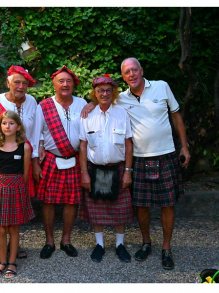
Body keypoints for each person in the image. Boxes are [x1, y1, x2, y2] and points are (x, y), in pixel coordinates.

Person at [81, 57, 190, 270]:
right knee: (141, 205)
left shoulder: (161, 86)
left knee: (168, 205)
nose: (131, 74)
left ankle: (166, 248)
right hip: (140, 158)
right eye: (127, 72)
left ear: (141, 70)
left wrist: (184, 147)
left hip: (166, 154)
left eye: (134, 70)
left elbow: (176, 116)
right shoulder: (120, 99)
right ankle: (146, 243)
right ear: (123, 77)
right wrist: (91, 103)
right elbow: (104, 99)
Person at [0, 65, 37, 263]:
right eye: (17, 82)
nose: (20, 86)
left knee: (14, 212)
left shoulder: (32, 101)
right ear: (8, 83)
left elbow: (36, 130)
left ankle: (12, 250)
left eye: (24, 83)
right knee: (1, 215)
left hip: (21, 161)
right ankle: (2, 252)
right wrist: (5, 140)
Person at [32, 66, 87, 259]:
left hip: (74, 159)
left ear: (74, 84)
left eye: (69, 81)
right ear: (54, 85)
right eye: (61, 81)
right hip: (51, 160)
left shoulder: (82, 104)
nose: (65, 84)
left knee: (71, 201)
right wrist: (35, 163)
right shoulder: (44, 106)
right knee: (48, 201)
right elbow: (36, 134)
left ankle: (66, 240)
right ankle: (49, 241)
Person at [78, 74, 134, 263]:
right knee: (97, 210)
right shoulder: (87, 115)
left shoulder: (122, 113)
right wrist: (84, 173)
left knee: (119, 211)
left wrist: (128, 171)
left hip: (118, 169)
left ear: (114, 92)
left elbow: (128, 144)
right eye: (100, 90)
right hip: (96, 170)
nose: (104, 93)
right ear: (95, 93)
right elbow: (83, 146)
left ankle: (120, 245)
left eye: (108, 90)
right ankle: (99, 245)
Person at [0, 111, 34, 278]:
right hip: (0, 187)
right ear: (0, 126)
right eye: (4, 123)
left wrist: (14, 185)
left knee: (13, 228)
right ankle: (2, 261)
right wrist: (2, 185)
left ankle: (12, 263)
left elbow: (25, 174)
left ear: (18, 126)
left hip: (17, 187)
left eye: (11, 123)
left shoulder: (24, 147)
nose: (7, 126)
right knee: (1, 228)